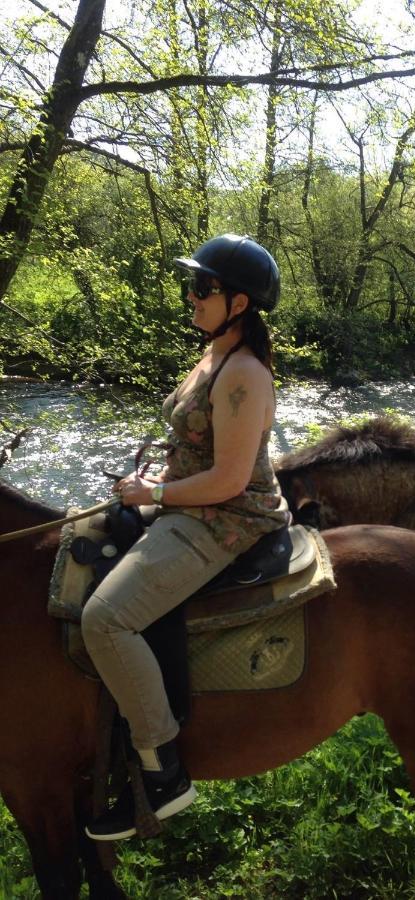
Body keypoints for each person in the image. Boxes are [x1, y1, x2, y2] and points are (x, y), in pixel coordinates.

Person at [81, 234, 290, 841]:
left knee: (106, 619)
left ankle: (162, 766)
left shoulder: (244, 373)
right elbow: (197, 450)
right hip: (191, 504)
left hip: (228, 520)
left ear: (241, 304)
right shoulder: (212, 357)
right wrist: (155, 479)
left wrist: (155, 496)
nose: (192, 296)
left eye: (205, 288)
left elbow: (228, 479)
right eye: (192, 285)